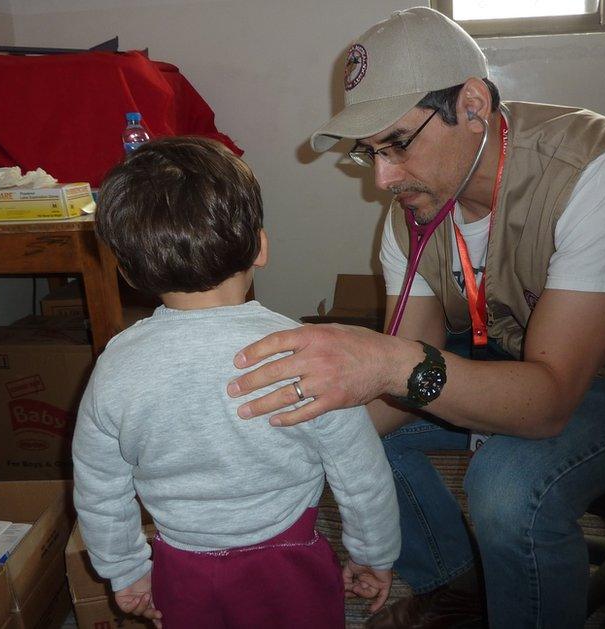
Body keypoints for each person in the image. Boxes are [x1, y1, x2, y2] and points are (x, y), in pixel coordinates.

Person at [227, 6, 605, 629]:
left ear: (472, 105)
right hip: (519, 360)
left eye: (399, 143)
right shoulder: (413, 210)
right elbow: (399, 376)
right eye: (369, 153)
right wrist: (285, 444)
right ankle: (454, 589)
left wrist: (387, 362)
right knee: (346, 433)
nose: (383, 178)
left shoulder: (600, 171)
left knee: (508, 490)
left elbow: (544, 401)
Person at [72, 136, 400, 628]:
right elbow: (361, 474)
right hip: (289, 560)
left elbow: (99, 488)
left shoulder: (115, 366)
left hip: (182, 570)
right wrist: (374, 553)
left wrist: (125, 571)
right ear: (261, 246)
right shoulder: (309, 352)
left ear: (127, 271)